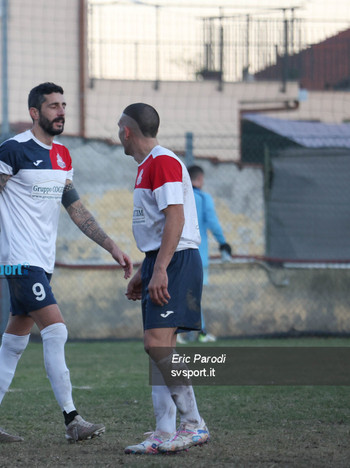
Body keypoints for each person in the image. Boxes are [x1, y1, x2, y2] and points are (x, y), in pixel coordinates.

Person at [0, 82, 133, 443]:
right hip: (19, 262)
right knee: (57, 330)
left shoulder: (64, 156)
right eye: (53, 106)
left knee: (14, 344)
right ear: (35, 113)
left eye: (63, 105)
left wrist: (111, 245)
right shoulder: (13, 150)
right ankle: (73, 420)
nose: (61, 111)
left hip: (40, 262)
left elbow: (76, 209)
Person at [118, 103, 210, 454]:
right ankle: (164, 431)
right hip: (162, 260)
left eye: (119, 128)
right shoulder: (146, 167)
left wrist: (159, 269)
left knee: (156, 344)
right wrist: (146, 270)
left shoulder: (163, 161)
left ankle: (193, 425)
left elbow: (176, 219)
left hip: (177, 261)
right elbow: (158, 229)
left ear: (127, 131)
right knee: (161, 348)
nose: (118, 134)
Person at [184, 164, 232, 343]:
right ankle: (199, 333)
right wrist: (223, 243)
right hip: (197, 255)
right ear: (200, 179)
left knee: (179, 293)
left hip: (176, 253)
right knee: (194, 295)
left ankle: (181, 333)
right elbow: (212, 221)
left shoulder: (178, 196)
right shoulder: (203, 198)